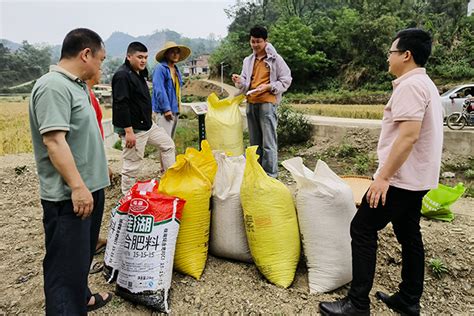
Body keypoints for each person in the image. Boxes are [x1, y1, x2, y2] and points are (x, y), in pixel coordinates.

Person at [319, 28, 443, 316]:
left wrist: (384, 177)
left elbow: (408, 136)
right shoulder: (426, 84)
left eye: (391, 52)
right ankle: (409, 299)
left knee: (362, 228)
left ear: (406, 55)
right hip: (419, 179)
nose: (388, 58)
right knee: (408, 232)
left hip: (401, 178)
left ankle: (357, 304)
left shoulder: (410, 87)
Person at [29, 28, 112, 315]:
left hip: (89, 190)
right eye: (100, 59)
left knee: (80, 258)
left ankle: (83, 298)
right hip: (69, 197)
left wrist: (101, 169)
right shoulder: (53, 86)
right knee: (64, 269)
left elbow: (81, 136)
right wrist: (77, 186)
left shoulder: (77, 86)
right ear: (85, 54)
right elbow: (53, 140)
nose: (101, 65)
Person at [112, 42, 176, 195]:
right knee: (131, 166)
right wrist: (128, 131)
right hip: (134, 128)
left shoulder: (139, 72)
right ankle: (127, 199)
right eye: (139, 57)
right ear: (129, 56)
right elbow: (121, 104)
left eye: (145, 57)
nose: (143, 61)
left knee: (168, 145)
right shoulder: (122, 75)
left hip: (148, 125)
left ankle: (170, 182)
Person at [232, 25, 292, 178]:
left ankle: (270, 175)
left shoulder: (276, 59)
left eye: (258, 41)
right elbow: (246, 83)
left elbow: (286, 80)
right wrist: (239, 81)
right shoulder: (248, 60)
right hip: (251, 103)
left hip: (267, 103)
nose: (255, 45)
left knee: (269, 142)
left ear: (266, 41)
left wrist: (270, 86)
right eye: (252, 41)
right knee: (254, 143)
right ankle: (256, 174)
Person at [85, 71, 109, 258]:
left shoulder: (90, 95)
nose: (101, 70)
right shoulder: (84, 96)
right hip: (88, 161)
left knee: (98, 202)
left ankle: (92, 241)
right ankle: (87, 246)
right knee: (90, 204)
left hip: (96, 156)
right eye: (100, 63)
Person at [152, 41, 191, 138]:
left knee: (170, 142)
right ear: (166, 54)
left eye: (177, 52)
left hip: (174, 110)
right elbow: (159, 89)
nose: (175, 54)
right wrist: (166, 109)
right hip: (164, 111)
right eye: (172, 52)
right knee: (165, 143)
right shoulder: (160, 68)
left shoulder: (176, 70)